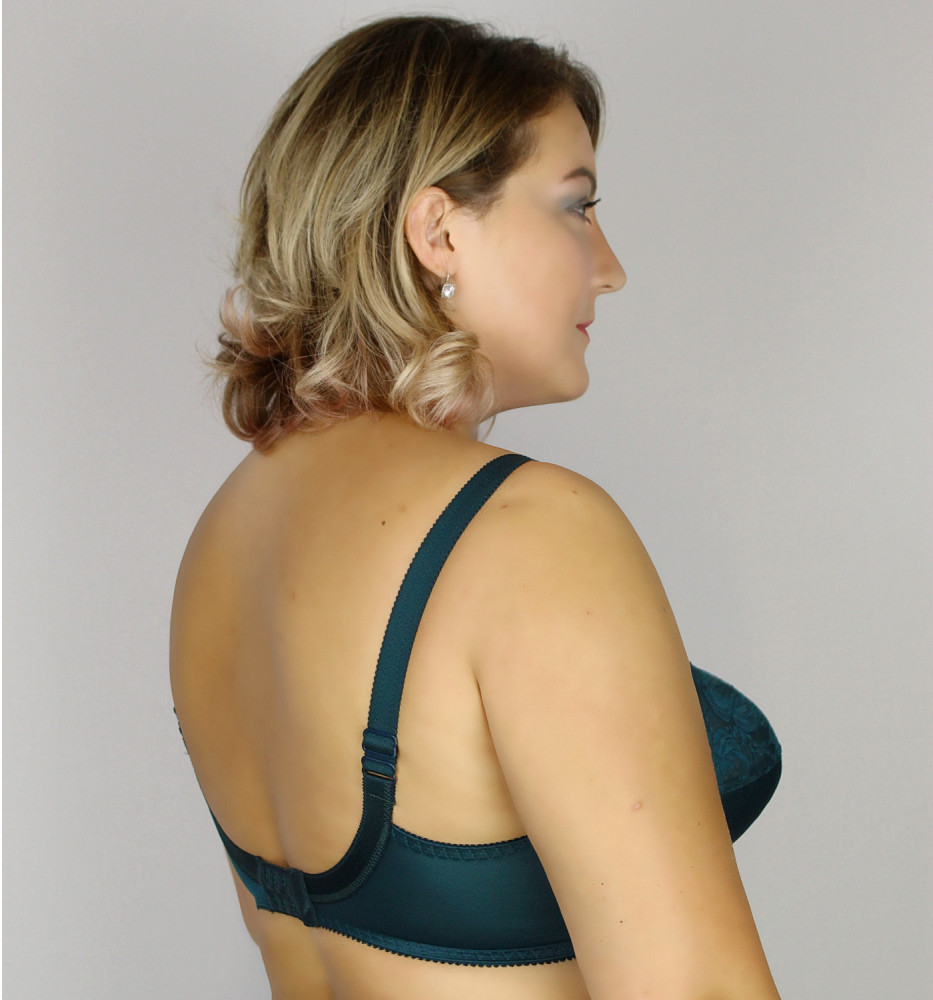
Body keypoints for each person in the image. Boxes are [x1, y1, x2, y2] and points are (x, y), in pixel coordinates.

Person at [170, 15, 782, 1000]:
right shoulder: (528, 532)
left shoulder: (226, 536)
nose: (609, 265)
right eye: (577, 206)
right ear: (439, 231)